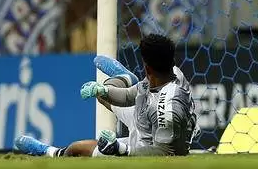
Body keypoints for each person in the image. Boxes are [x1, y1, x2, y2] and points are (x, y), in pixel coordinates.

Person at [14, 34, 198, 157]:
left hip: (146, 146)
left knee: (76, 149)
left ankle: (51, 152)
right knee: (103, 95)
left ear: (147, 67)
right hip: (146, 119)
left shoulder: (167, 109)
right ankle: (127, 78)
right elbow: (130, 95)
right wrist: (102, 91)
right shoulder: (170, 72)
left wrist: (121, 149)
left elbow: (163, 153)